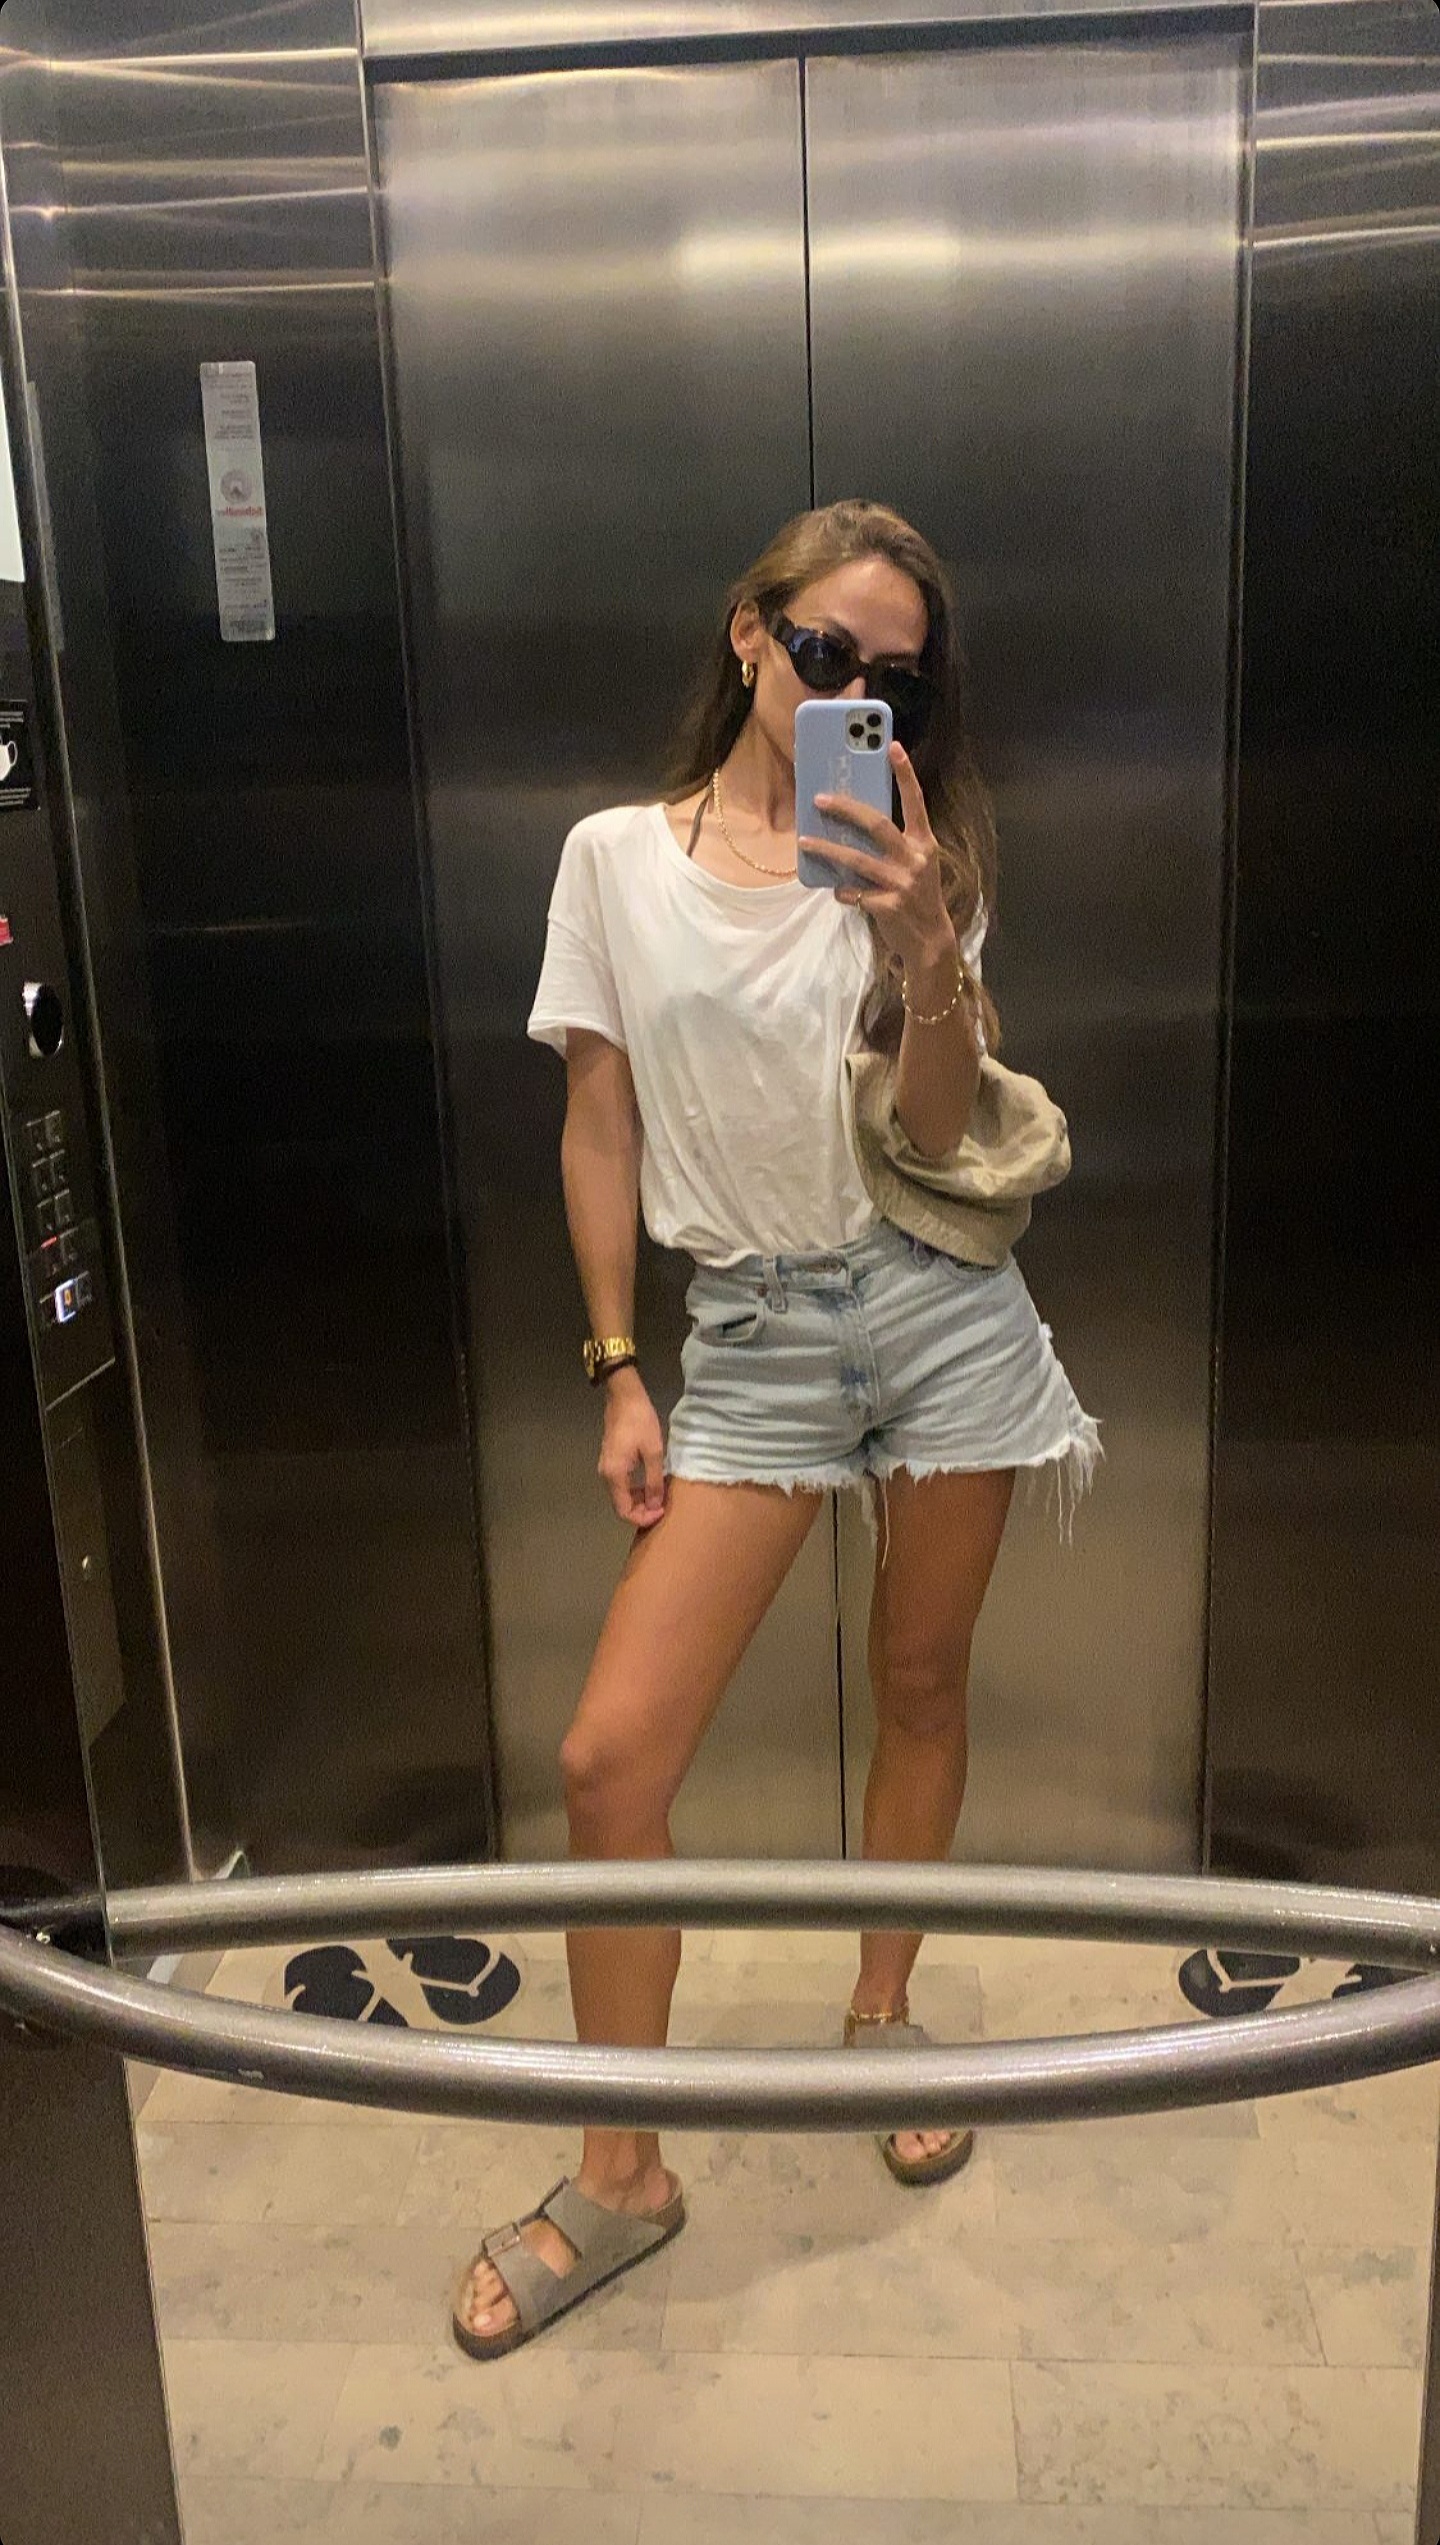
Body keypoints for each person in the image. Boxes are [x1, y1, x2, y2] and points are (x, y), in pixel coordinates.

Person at [452, 499, 1100, 2359]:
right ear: (749, 634)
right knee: (610, 1760)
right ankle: (623, 2175)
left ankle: (883, 2015)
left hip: (941, 1312)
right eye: (826, 654)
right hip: (746, 1341)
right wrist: (616, 1364)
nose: (854, 693)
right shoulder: (610, 859)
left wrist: (927, 939)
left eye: (896, 679)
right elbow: (598, 1117)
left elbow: (940, 1117)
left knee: (920, 1683)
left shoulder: (914, 851)